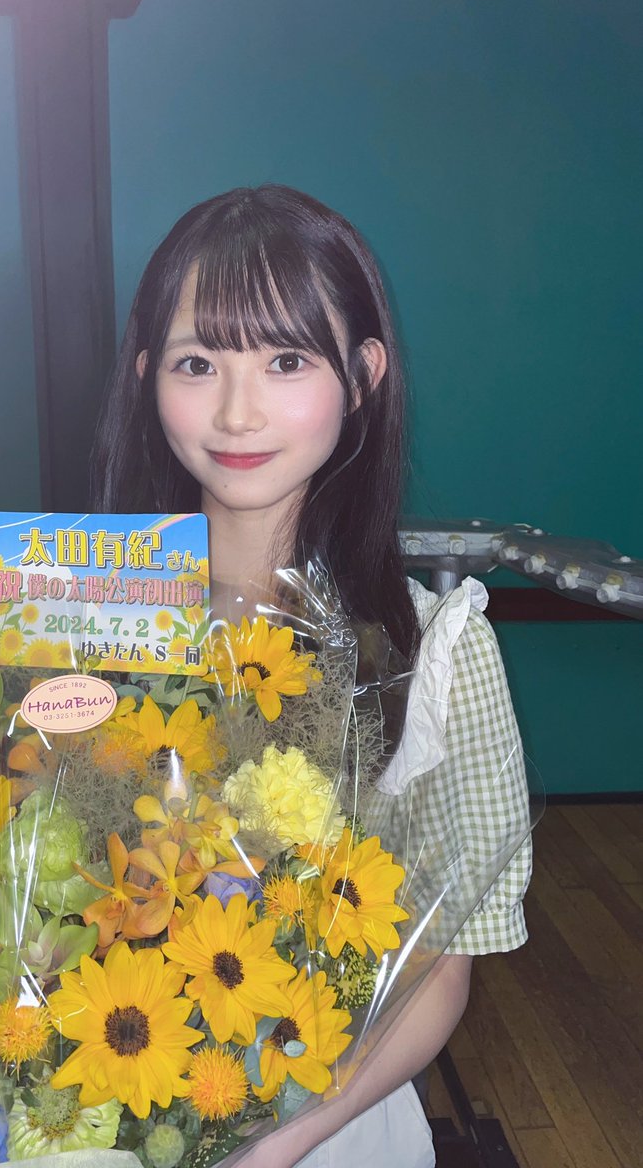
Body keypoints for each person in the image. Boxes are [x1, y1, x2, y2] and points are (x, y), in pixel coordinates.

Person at [91, 185, 532, 1168]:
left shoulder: (438, 649)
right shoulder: (82, 614)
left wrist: (272, 1145)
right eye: (198, 363)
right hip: (96, 1090)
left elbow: (440, 970)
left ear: (363, 375)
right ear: (147, 376)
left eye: (286, 361)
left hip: (328, 1121)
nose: (237, 411)